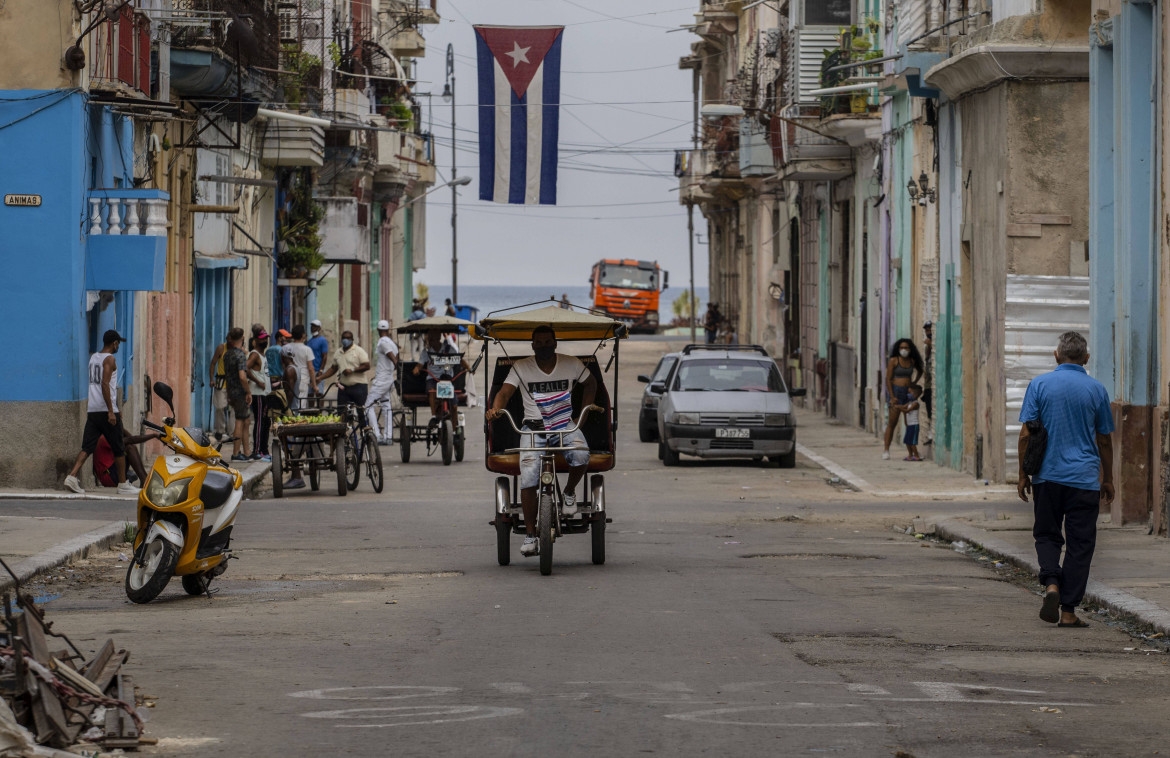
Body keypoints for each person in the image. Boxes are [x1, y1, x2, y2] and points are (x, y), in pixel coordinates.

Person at [1017, 331, 1115, 628]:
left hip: (1047, 477)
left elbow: (1026, 435)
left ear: (1056, 356)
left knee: (1046, 535)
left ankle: (1051, 585)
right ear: (1086, 358)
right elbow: (1105, 440)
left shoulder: (1040, 385)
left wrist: (1023, 474)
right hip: (1084, 480)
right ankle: (1069, 612)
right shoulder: (1096, 390)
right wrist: (1107, 478)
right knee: (1080, 544)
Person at [485, 326, 599, 558]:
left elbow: (591, 384)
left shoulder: (571, 363)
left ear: (555, 343)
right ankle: (530, 535)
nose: (544, 346)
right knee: (527, 478)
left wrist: (582, 415)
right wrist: (496, 409)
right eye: (540, 342)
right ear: (533, 345)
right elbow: (505, 393)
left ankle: (568, 492)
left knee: (581, 454)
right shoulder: (521, 366)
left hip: (564, 424)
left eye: (548, 342)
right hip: (533, 428)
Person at [63, 330, 139, 496]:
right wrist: (112, 411)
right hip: (105, 410)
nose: (118, 346)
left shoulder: (93, 358)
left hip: (93, 409)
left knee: (87, 446)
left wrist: (115, 408)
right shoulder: (110, 359)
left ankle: (72, 476)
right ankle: (122, 483)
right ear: (115, 343)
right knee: (119, 447)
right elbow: (105, 384)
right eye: (118, 343)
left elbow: (107, 386)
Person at [882, 338, 923, 460]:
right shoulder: (894, 361)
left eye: (906, 348)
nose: (903, 350)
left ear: (910, 349)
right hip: (896, 391)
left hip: (908, 393)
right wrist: (892, 396)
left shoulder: (911, 361)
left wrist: (914, 382)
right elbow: (888, 379)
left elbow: (920, 370)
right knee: (892, 422)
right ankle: (886, 449)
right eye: (901, 348)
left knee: (909, 423)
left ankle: (911, 452)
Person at [317, 330, 371, 424]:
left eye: (348, 338)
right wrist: (320, 378)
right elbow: (333, 368)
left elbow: (367, 365)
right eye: (344, 338)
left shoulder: (358, 351)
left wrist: (352, 370)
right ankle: (343, 436)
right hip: (344, 388)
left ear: (352, 339)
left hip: (359, 387)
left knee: (361, 413)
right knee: (341, 414)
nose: (346, 340)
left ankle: (365, 434)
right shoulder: (338, 352)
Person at [413, 330, 467, 416]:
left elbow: (459, 359)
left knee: (454, 406)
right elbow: (420, 364)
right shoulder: (426, 352)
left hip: (447, 379)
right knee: (432, 391)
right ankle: (434, 415)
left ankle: (453, 429)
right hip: (432, 379)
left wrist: (468, 368)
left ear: (438, 338)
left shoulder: (449, 349)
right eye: (429, 339)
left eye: (431, 339)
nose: (429, 342)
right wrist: (416, 369)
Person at [366, 320, 399, 444]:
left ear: (378, 330)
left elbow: (392, 357)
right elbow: (394, 358)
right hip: (387, 377)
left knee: (368, 405)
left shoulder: (383, 343)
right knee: (386, 406)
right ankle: (388, 436)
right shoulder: (392, 343)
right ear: (388, 329)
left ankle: (376, 435)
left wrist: (394, 364)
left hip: (383, 380)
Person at [222, 327, 253, 461]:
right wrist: (248, 391)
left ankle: (246, 452)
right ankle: (236, 453)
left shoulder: (227, 354)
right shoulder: (239, 355)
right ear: (242, 338)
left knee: (245, 420)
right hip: (240, 391)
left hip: (231, 390)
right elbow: (242, 376)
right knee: (240, 421)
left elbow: (228, 375)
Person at [246, 331, 272, 461]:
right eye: (262, 339)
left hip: (264, 393)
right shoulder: (255, 354)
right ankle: (256, 451)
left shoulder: (262, 355)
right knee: (260, 422)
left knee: (266, 422)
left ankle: (263, 450)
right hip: (258, 394)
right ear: (255, 341)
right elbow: (245, 368)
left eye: (266, 339)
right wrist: (257, 381)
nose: (265, 342)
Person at [284, 325, 317, 408]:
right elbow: (311, 368)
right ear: (303, 335)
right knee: (300, 404)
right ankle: (296, 419)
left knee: (289, 402)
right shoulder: (307, 350)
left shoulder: (285, 348)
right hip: (302, 380)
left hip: (288, 379)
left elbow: (283, 364)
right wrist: (314, 385)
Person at [208, 334, 230, 440]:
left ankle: (232, 432)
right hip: (221, 382)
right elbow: (213, 363)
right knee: (220, 407)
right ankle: (220, 431)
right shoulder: (221, 348)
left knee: (234, 409)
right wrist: (211, 379)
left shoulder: (240, 350)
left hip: (233, 383)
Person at [898, 384, 922, 461]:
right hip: (909, 425)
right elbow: (903, 407)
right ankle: (910, 455)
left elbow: (907, 410)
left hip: (914, 425)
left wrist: (900, 409)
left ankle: (917, 456)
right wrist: (896, 406)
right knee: (907, 441)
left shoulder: (915, 404)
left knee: (912, 442)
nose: (908, 394)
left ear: (915, 394)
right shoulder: (909, 403)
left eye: (910, 392)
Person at [922, 321, 934, 444]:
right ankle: (930, 433)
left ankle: (932, 433)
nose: (928, 333)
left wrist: (931, 345)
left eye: (930, 330)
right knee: (928, 408)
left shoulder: (932, 345)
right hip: (928, 384)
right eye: (926, 331)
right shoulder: (927, 347)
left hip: (932, 385)